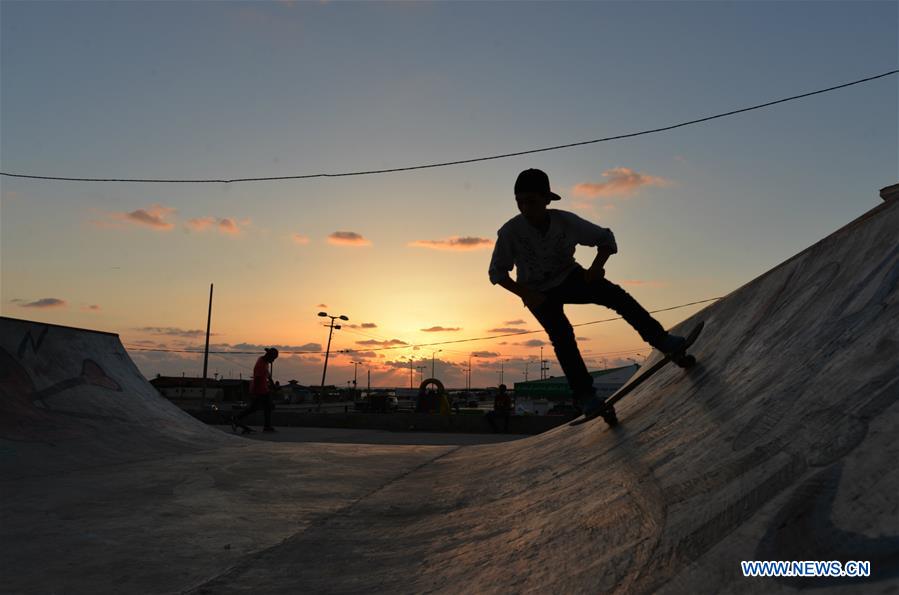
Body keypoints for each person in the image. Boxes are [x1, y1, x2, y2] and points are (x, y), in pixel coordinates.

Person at [488, 169, 686, 423]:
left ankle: (661, 340)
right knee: (562, 336)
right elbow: (497, 273)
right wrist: (525, 293)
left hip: (569, 277)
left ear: (547, 200)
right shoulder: (509, 232)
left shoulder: (566, 222)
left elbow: (605, 238)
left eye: (532, 202)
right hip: (536, 290)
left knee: (616, 296)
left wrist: (596, 267)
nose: (526, 208)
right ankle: (585, 396)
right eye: (520, 202)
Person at [232, 347, 279, 433]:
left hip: (264, 389)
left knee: (264, 407)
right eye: (273, 359)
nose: (273, 361)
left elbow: (268, 375)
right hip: (259, 390)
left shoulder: (264, 362)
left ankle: (266, 426)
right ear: (269, 356)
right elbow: (257, 379)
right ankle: (237, 418)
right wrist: (254, 392)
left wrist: (272, 385)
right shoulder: (260, 364)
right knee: (258, 407)